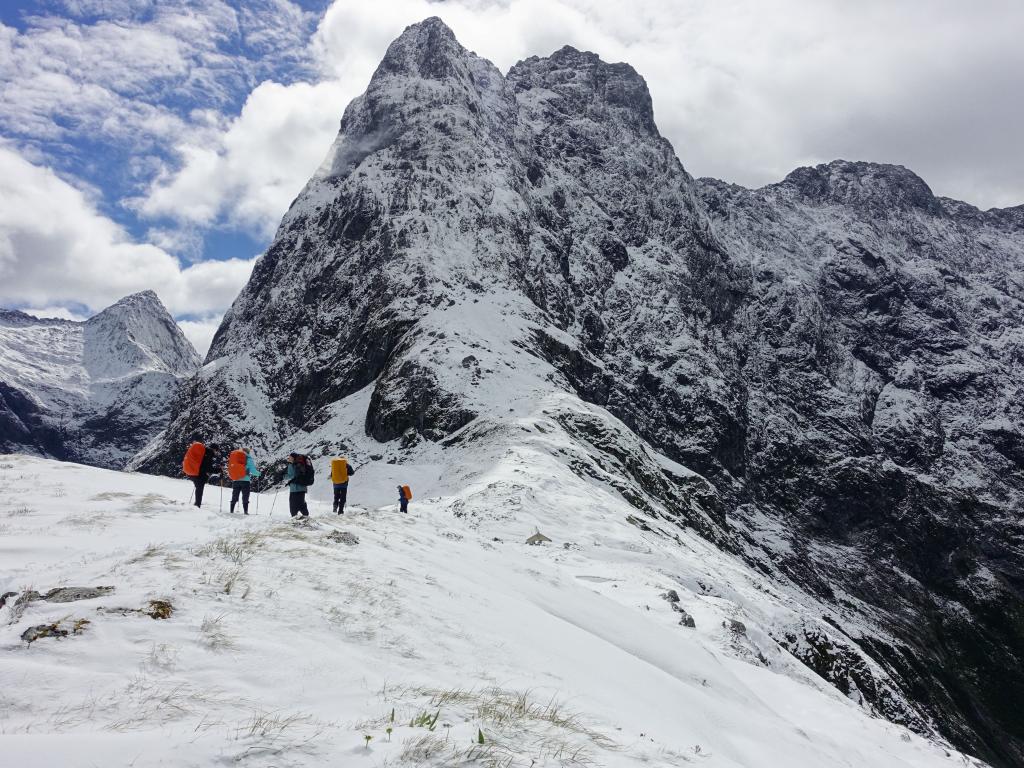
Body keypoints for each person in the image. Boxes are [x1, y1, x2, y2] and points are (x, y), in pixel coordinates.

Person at [229, 448, 260, 515]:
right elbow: (253, 471)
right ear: (248, 452)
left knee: (235, 495)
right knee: (245, 496)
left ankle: (231, 510)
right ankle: (245, 512)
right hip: (245, 481)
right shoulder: (249, 459)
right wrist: (259, 474)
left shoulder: (236, 457)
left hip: (236, 480)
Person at [193, 443, 220, 508]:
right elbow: (207, 468)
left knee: (198, 489)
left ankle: (197, 504)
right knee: (199, 489)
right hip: (200, 475)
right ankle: (197, 505)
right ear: (214, 449)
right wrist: (218, 470)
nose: (216, 452)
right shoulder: (209, 453)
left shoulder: (204, 452)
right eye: (216, 450)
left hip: (195, 472)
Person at [286, 453, 310, 518]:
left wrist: (283, 476)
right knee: (301, 504)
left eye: (290, 457)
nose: (289, 458)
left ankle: (295, 520)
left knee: (293, 507)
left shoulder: (291, 465)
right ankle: (306, 517)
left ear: (293, 458)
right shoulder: (301, 464)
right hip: (302, 488)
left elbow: (291, 475)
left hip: (295, 489)